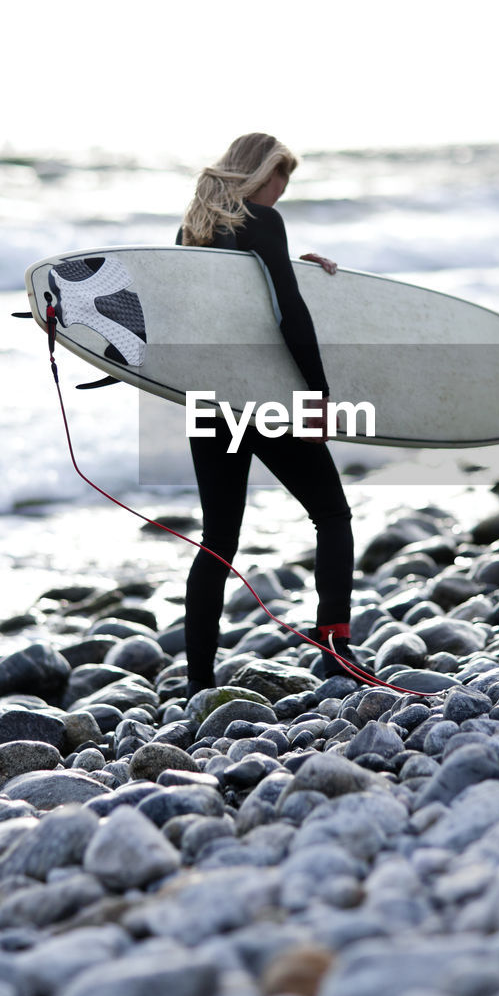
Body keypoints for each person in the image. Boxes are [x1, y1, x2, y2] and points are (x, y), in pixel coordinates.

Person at [176, 132, 361, 698]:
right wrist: (318, 392)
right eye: (282, 178)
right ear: (261, 174)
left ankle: (198, 685)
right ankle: (334, 649)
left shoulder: (190, 231)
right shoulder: (264, 220)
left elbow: (204, 315)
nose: (282, 191)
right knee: (331, 515)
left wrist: (292, 268)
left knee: (217, 542)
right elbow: (289, 315)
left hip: (208, 400)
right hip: (266, 397)